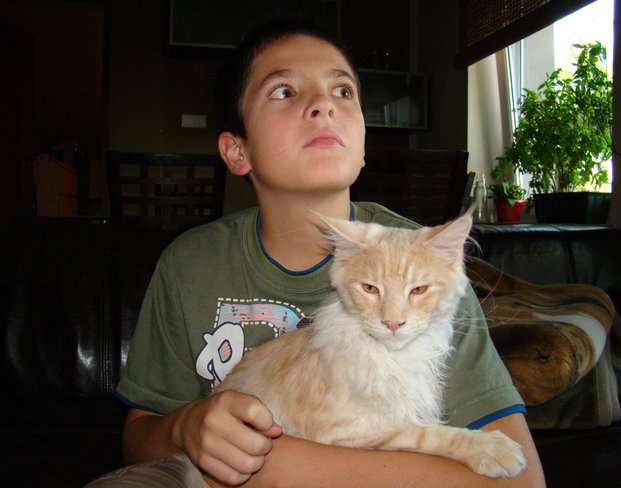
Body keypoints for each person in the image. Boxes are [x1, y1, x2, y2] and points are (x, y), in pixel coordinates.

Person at [92, 17, 545, 488]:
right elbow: (138, 440)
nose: (324, 105)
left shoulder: (431, 268)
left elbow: (524, 479)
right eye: (284, 91)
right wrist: (185, 428)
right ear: (236, 151)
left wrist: (288, 466)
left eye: (343, 92)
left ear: (364, 141)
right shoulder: (190, 264)